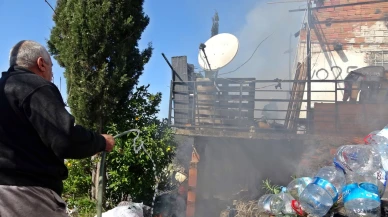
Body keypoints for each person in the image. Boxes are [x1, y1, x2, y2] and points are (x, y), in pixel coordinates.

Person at [0, 40, 115, 216]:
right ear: (41, 63)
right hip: (26, 197)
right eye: (52, 67)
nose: (52, 74)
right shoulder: (34, 86)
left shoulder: (4, 88)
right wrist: (101, 141)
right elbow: (65, 138)